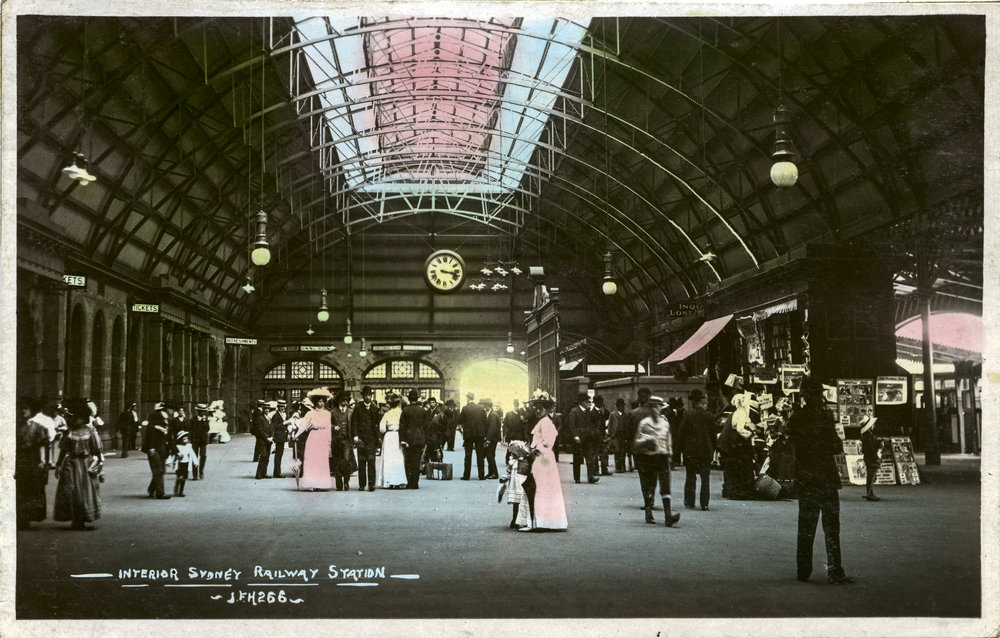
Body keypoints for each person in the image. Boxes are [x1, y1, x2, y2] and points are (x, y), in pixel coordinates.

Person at [787, 376, 854, 585]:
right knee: (832, 527)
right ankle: (835, 571)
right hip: (826, 478)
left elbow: (790, 444)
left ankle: (803, 570)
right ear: (818, 396)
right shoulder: (825, 417)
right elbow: (836, 446)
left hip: (807, 479)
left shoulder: (796, 418)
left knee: (806, 527)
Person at [53, 398, 104, 530]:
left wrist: (100, 466)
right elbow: (63, 450)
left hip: (86, 464)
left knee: (84, 492)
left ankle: (82, 519)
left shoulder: (91, 431)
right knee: (72, 491)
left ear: (83, 417)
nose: (74, 420)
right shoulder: (69, 432)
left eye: (77, 417)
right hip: (71, 465)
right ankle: (76, 519)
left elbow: (97, 450)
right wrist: (59, 465)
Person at [521, 390, 567, 532]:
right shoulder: (543, 422)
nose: (537, 410)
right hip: (542, 458)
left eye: (541, 408)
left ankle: (543, 521)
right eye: (536, 408)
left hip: (543, 458)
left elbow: (548, 442)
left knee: (541, 487)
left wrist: (534, 451)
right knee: (542, 486)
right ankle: (542, 520)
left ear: (547, 410)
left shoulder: (546, 422)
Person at [633, 395, 680, 527]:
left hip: (663, 456)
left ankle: (668, 516)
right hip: (649, 457)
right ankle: (649, 512)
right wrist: (647, 439)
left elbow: (668, 439)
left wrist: (670, 454)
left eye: (658, 407)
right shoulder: (644, 423)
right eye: (652, 407)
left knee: (665, 486)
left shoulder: (665, 423)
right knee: (650, 485)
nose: (655, 409)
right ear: (649, 408)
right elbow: (636, 443)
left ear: (661, 408)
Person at [676, 389, 715, 511]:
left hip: (691, 452)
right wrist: (711, 450)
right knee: (705, 479)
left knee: (690, 477)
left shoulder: (688, 415)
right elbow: (713, 436)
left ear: (693, 401)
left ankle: (689, 502)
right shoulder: (709, 416)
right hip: (705, 452)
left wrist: (680, 450)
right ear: (701, 401)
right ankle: (704, 504)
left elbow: (681, 434)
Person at [16, 396, 49, 530]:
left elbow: (42, 445)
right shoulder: (15, 426)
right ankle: (20, 516)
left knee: (31, 488)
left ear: (32, 411)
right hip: (19, 459)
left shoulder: (38, 427)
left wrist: (42, 461)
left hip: (31, 460)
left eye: (26, 409)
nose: (23, 411)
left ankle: (27, 517)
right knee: (19, 489)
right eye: (21, 408)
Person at [295, 388, 334, 491]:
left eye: (322, 401)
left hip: (323, 438)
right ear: (315, 402)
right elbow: (303, 426)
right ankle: (311, 483)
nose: (321, 403)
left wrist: (329, 443)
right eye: (319, 401)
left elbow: (329, 428)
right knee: (312, 460)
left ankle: (321, 484)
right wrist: (296, 435)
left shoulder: (328, 414)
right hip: (313, 438)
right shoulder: (310, 414)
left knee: (321, 461)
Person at [350, 386, 382, 492]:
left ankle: (371, 484)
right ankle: (362, 484)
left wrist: (378, 440)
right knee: (362, 462)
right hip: (361, 439)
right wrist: (355, 436)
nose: (368, 397)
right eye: (366, 395)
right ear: (363, 396)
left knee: (371, 462)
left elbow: (377, 425)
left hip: (371, 439)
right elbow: (354, 422)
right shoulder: (358, 408)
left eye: (369, 395)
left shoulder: (375, 409)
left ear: (371, 396)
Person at [399, 389, 429, 489]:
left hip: (408, 440)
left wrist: (402, 440)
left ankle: (409, 482)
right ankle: (415, 483)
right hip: (419, 439)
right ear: (417, 398)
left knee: (408, 462)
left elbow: (402, 427)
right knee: (417, 461)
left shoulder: (405, 410)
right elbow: (426, 426)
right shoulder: (423, 410)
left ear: (409, 398)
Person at [567, 392, 599, 484]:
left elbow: (591, 424)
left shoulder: (588, 412)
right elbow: (571, 425)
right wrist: (575, 436)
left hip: (587, 438)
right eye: (588, 401)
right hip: (578, 439)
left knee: (590, 457)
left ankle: (591, 477)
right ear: (582, 402)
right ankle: (577, 478)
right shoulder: (574, 411)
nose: (589, 403)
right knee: (577, 458)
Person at [141, 401, 171, 499]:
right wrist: (151, 448)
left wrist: (175, 451)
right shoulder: (154, 420)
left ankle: (152, 488)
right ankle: (160, 493)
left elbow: (169, 437)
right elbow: (150, 435)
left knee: (161, 470)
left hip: (162, 448)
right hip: (154, 448)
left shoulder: (165, 421)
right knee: (158, 469)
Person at [378, 393, 408, 488]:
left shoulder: (387, 414)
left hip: (389, 436)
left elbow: (381, 429)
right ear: (399, 404)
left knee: (388, 459)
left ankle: (389, 481)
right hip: (398, 436)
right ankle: (399, 481)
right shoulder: (402, 413)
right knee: (398, 458)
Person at [457, 391, 487, 481]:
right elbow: (485, 421)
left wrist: (463, 429)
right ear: (473, 398)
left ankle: (466, 476)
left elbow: (459, 420)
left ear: (467, 398)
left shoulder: (465, 408)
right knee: (480, 455)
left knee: (468, 455)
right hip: (479, 434)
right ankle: (481, 475)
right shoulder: (481, 408)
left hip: (468, 435)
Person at [330, 391, 353, 490]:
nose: (344, 402)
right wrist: (333, 427)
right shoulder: (332, 412)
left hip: (347, 441)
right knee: (337, 462)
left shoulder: (351, 412)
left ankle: (346, 481)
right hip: (336, 441)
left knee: (347, 461)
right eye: (342, 400)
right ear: (339, 401)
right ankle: (339, 482)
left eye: (346, 400)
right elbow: (327, 424)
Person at [860, 416, 881, 502]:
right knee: (871, 476)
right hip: (871, 458)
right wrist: (876, 458)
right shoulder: (869, 437)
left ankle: (870, 492)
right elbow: (871, 449)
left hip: (868, 457)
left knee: (870, 475)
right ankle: (869, 493)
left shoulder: (867, 436)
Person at [607, 397, 632, 473]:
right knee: (617, 450)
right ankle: (618, 467)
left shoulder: (626, 414)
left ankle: (623, 466)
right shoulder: (613, 414)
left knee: (623, 451)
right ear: (617, 406)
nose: (622, 407)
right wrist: (610, 434)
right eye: (620, 406)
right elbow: (609, 425)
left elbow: (628, 425)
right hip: (616, 434)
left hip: (623, 434)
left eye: (622, 406)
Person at [253, 401, 275, 480]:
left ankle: (264, 473)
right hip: (262, 440)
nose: (267, 410)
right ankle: (258, 474)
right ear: (263, 409)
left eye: (268, 409)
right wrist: (267, 437)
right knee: (263, 456)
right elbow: (260, 430)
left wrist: (272, 436)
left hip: (268, 440)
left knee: (267, 457)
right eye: (265, 409)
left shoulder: (269, 417)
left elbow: (272, 428)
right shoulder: (259, 417)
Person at [172, 431, 198, 497]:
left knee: (184, 478)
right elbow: (173, 455)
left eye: (186, 438)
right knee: (180, 477)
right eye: (184, 439)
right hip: (179, 464)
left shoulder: (188, 446)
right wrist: (171, 462)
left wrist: (196, 462)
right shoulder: (177, 447)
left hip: (186, 464)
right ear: (180, 440)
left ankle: (181, 490)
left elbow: (193, 454)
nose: (186, 440)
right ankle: (177, 489)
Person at [190, 404, 211, 480]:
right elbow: (191, 430)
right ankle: (195, 474)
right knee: (194, 457)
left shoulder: (205, 420)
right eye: (201, 411)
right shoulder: (193, 419)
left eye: (204, 412)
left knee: (203, 456)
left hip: (203, 441)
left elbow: (208, 429)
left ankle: (201, 472)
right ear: (198, 411)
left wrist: (204, 422)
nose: (203, 413)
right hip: (195, 440)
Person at [593, 395, 612, 475]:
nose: (602, 403)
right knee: (595, 454)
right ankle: (596, 470)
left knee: (604, 453)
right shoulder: (592, 413)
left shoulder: (601, 412)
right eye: (600, 401)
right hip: (595, 436)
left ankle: (604, 469)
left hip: (602, 435)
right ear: (596, 402)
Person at [483, 398, 502, 479]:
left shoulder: (493, 415)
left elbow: (492, 428)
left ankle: (494, 473)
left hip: (492, 439)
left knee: (490, 455)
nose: (484, 407)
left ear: (488, 406)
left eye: (485, 405)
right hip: (493, 438)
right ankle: (490, 472)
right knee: (490, 455)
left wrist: (488, 440)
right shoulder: (492, 414)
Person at [271, 400, 288, 479]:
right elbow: (274, 426)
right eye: (281, 407)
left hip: (282, 437)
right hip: (279, 438)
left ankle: (277, 472)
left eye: (283, 407)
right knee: (278, 455)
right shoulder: (276, 415)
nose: (283, 408)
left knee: (279, 455)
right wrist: (284, 423)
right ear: (278, 407)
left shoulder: (283, 414)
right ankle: (277, 473)